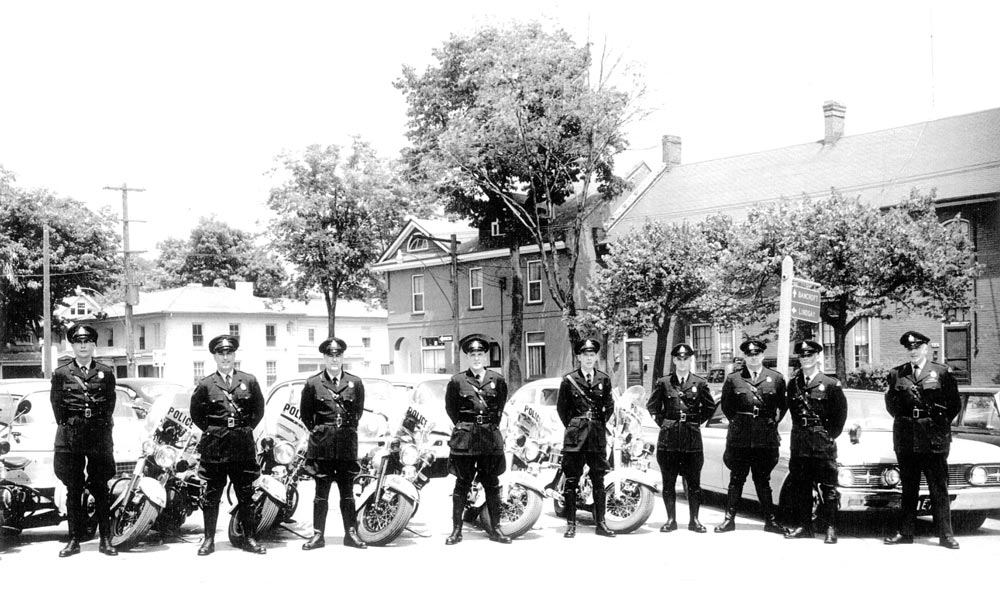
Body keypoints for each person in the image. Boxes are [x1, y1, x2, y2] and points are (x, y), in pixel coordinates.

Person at [883, 330, 962, 549]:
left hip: (933, 439)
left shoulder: (941, 372)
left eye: (917, 347)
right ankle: (905, 532)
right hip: (907, 438)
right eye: (909, 348)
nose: (913, 351)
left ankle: (946, 535)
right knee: (909, 487)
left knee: (939, 488)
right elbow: (892, 405)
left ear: (925, 348)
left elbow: (954, 405)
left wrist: (935, 425)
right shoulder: (897, 374)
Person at [190, 335, 266, 555]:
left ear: (234, 356)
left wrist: (244, 429)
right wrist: (215, 430)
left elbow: (258, 411)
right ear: (214, 356)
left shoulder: (248, 380)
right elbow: (197, 415)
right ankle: (209, 540)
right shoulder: (206, 384)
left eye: (229, 353)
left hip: (242, 447)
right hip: (216, 447)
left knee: (246, 494)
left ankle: (250, 538)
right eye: (221, 354)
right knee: (212, 495)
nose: (225, 357)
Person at [50, 324, 118, 557]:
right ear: (72, 345)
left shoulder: (106, 372)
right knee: (74, 489)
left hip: (98, 437)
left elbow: (109, 405)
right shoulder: (62, 373)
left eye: (87, 342)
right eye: (78, 342)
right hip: (72, 436)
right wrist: (73, 425)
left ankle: (106, 540)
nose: (82, 346)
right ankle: (73, 540)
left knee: (101, 488)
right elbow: (57, 407)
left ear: (93, 345)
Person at [300, 337, 367, 550]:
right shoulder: (313, 383)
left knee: (347, 493)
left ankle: (350, 534)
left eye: (338, 355)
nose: (334, 359)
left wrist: (342, 429)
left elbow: (357, 412)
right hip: (323, 445)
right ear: (324, 357)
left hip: (346, 444)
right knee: (321, 493)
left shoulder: (355, 382)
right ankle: (318, 535)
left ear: (343, 357)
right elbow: (306, 415)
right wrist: (323, 431)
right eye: (330, 355)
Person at [715, 338, 787, 534]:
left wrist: (770, 424)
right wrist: (741, 423)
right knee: (736, 478)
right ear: (744, 357)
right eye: (749, 354)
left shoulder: (776, 378)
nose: (753, 357)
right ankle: (729, 520)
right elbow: (727, 407)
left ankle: (771, 521)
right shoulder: (734, 379)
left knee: (763, 479)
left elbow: (783, 406)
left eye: (756, 354)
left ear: (762, 355)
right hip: (741, 438)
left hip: (764, 438)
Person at [444, 333, 511, 545]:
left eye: (480, 354)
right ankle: (456, 530)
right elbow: (451, 409)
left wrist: (488, 426)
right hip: (465, 439)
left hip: (489, 439)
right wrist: (467, 425)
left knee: (491, 484)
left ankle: (496, 529)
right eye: (472, 354)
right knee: (462, 484)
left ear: (486, 356)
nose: (476, 358)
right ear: (467, 357)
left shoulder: (497, 380)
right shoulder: (457, 381)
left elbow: (499, 409)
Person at [646, 343, 716, 533]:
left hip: (691, 439)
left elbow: (710, 407)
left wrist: (695, 422)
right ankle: (671, 520)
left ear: (690, 360)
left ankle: (694, 520)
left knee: (693, 482)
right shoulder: (664, 383)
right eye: (679, 358)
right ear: (675, 360)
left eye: (686, 358)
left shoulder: (699, 383)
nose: (682, 362)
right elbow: (652, 406)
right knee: (668, 482)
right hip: (669, 440)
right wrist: (665, 423)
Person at [782, 340, 847, 544]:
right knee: (801, 485)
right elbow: (792, 412)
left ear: (817, 357)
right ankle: (804, 526)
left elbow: (839, 417)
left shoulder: (830, 384)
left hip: (821, 441)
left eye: (809, 355)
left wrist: (827, 436)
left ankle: (830, 527)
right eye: (802, 356)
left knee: (828, 487)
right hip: (800, 440)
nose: (805, 359)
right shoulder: (794, 384)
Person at [556, 338, 616, 538]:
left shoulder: (604, 379)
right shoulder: (569, 380)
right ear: (579, 357)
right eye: (585, 355)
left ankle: (601, 523)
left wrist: (597, 424)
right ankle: (571, 525)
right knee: (572, 480)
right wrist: (576, 425)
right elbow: (562, 409)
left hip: (597, 436)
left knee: (598, 480)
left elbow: (609, 406)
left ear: (596, 357)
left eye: (592, 355)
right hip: (576, 436)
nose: (589, 359)